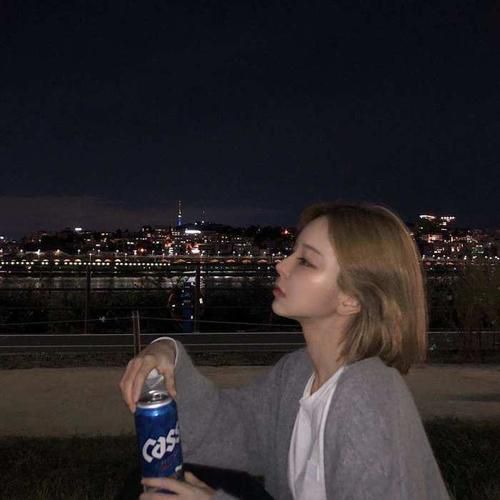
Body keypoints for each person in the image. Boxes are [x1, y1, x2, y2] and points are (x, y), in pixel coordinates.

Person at [120, 202, 450, 500]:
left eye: (305, 261)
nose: (281, 265)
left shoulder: (368, 399)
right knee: (152, 482)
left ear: (352, 299)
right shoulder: (299, 372)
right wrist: (167, 354)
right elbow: (233, 429)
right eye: (292, 253)